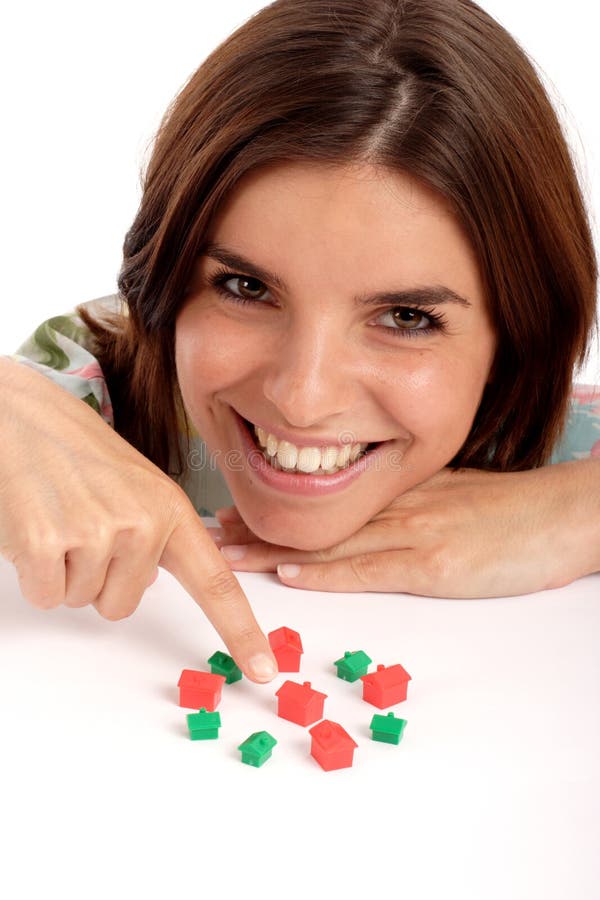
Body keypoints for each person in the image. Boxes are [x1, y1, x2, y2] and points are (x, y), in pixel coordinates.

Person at [2, 0, 599, 683]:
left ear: (516, 337)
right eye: (246, 289)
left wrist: (578, 511)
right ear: (164, 282)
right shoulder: (81, 396)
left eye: (405, 317)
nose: (303, 399)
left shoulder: (566, 450)